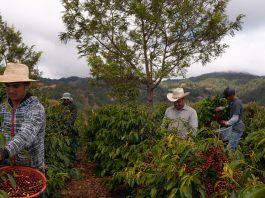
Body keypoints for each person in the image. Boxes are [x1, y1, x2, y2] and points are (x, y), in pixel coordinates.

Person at [0, 63, 46, 172]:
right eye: (8, 85)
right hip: (8, 167)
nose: (11, 90)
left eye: (16, 86)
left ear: (26, 85)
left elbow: (25, 135)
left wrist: (4, 152)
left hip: (32, 168)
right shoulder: (3, 107)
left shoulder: (36, 109)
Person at [61, 92, 78, 161]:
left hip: (70, 127)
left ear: (69, 100)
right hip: (62, 127)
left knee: (72, 142)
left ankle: (73, 157)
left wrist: (67, 124)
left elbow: (73, 117)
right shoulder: (61, 106)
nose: (65, 101)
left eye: (66, 99)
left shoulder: (73, 106)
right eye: (64, 99)